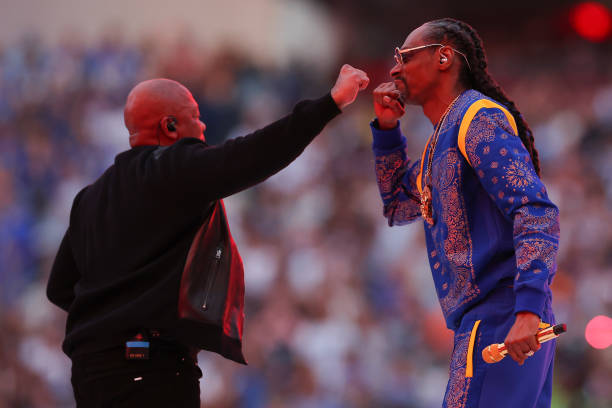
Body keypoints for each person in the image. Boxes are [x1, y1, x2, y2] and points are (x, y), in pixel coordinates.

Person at [47, 64, 369, 407]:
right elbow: (254, 154)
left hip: (90, 371)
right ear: (169, 126)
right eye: (195, 116)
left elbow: (60, 288)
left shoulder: (90, 197)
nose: (202, 126)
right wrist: (330, 103)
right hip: (151, 369)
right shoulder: (174, 168)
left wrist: (111, 321)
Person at [369, 18, 560, 407]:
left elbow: (535, 210)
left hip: (503, 315)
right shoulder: (442, 139)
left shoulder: (476, 119)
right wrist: (387, 130)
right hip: (495, 318)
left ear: (443, 56)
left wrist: (526, 309)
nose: (393, 69)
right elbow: (398, 207)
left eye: (404, 56)